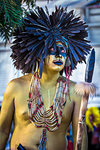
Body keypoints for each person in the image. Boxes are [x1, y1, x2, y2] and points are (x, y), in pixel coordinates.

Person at [0, 6, 92, 150]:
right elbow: (2, 131)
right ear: (38, 54)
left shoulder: (75, 91)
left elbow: (79, 137)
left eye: (63, 50)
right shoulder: (16, 87)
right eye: (52, 49)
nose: (59, 55)